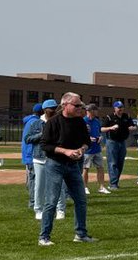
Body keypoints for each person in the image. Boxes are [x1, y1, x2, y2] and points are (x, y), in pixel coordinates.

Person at [38, 93, 95, 246]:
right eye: (77, 106)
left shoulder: (80, 122)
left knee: (81, 200)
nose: (80, 108)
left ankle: (81, 234)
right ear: (65, 105)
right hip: (55, 165)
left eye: (81, 106)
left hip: (73, 166)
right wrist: (66, 151)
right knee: (51, 201)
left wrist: (81, 150)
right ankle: (44, 237)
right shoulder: (53, 122)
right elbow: (45, 146)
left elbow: (86, 141)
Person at [27, 99, 67, 221]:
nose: (55, 110)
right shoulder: (36, 123)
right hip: (39, 158)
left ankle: (60, 209)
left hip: (55, 157)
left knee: (59, 185)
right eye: (52, 108)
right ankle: (38, 209)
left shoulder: (59, 122)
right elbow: (28, 139)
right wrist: (42, 135)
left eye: (55, 108)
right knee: (39, 185)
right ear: (45, 110)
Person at [101, 101, 133, 190]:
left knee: (120, 163)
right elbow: (102, 128)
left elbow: (133, 126)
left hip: (122, 142)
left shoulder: (126, 116)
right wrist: (111, 128)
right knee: (112, 162)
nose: (120, 109)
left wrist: (132, 128)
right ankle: (113, 184)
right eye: (119, 108)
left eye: (122, 107)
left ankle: (116, 182)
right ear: (114, 108)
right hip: (112, 141)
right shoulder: (109, 117)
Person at [81, 103, 110, 194]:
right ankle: (85, 187)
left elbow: (99, 132)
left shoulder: (97, 121)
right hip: (87, 150)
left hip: (97, 148)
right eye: (96, 110)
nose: (97, 111)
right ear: (90, 111)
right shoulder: (83, 121)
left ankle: (102, 187)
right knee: (86, 168)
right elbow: (79, 134)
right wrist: (88, 138)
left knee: (100, 167)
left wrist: (100, 137)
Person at [20, 103, 42, 210]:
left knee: (32, 178)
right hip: (32, 153)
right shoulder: (35, 122)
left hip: (28, 153)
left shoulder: (29, 121)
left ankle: (34, 201)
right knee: (34, 179)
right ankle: (33, 202)